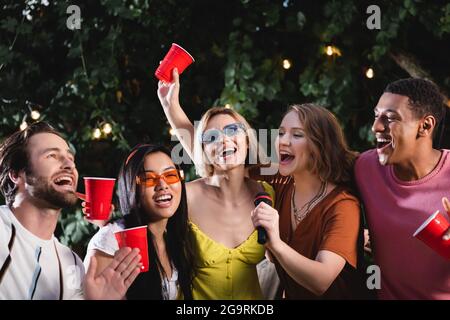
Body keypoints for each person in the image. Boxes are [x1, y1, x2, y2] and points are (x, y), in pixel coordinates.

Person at [157, 69, 279, 300]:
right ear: (201, 150)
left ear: (247, 138)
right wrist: (170, 104)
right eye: (210, 137)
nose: (223, 139)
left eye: (233, 130)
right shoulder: (185, 196)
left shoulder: (268, 193)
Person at [0, 122, 141, 300]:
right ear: (16, 174)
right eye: (51, 155)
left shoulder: (72, 264)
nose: (69, 164)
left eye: (70, 158)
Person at [250, 104, 369, 299]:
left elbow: (321, 280)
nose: (282, 141)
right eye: (280, 133)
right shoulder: (281, 181)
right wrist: (179, 110)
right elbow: (221, 158)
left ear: (321, 145)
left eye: (297, 135)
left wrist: (275, 244)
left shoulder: (342, 204)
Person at [354, 78, 450, 299]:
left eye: (389, 118)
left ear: (425, 126)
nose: (376, 126)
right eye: (376, 116)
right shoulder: (364, 168)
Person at [84, 144, 195, 300]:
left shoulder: (176, 237)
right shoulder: (110, 240)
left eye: (170, 175)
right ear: (131, 187)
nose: (162, 185)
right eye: (149, 179)